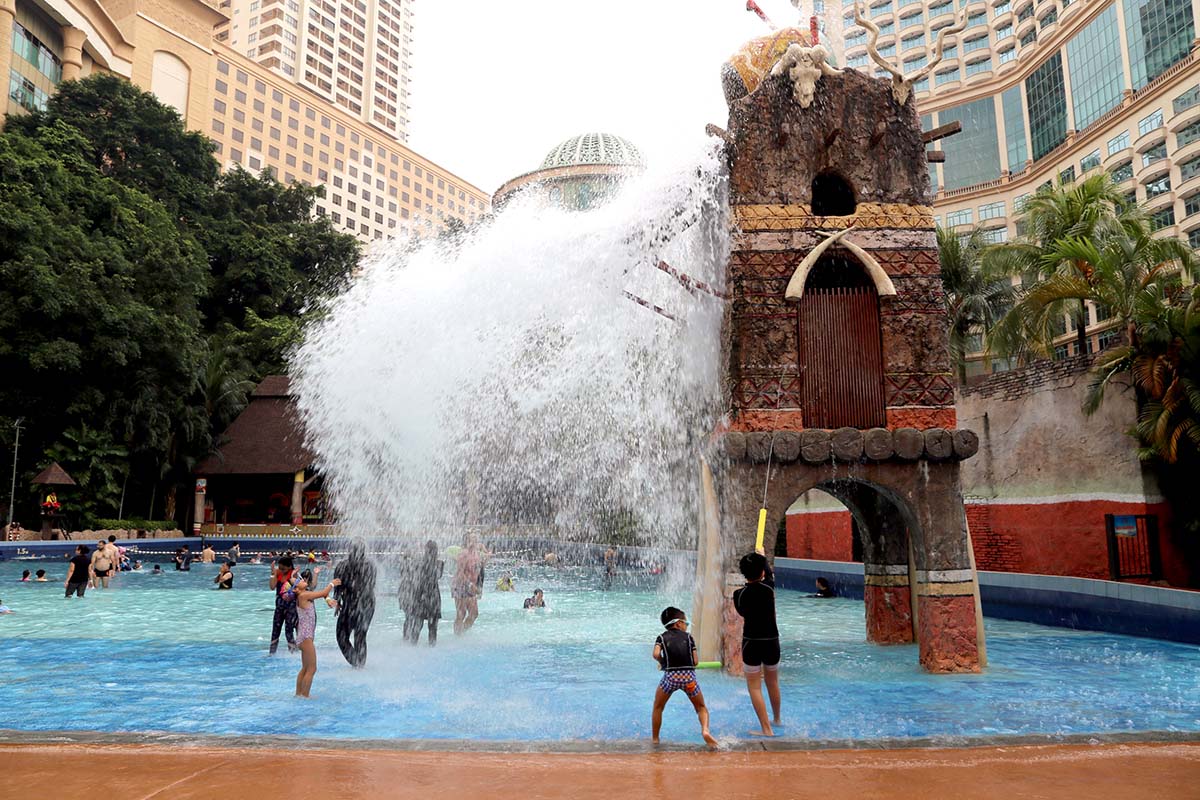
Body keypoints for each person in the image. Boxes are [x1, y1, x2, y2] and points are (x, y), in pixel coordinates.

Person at [651, 607, 716, 748]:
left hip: (671, 678)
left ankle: (655, 740)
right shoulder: (689, 637)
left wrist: (663, 663)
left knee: (658, 706)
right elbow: (696, 662)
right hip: (689, 679)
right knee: (701, 707)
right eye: (686, 623)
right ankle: (705, 730)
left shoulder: (661, 637)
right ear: (678, 623)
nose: (687, 625)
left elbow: (656, 654)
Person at [733, 550, 782, 737]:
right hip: (771, 641)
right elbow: (768, 574)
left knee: (754, 687)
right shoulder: (769, 589)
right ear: (762, 571)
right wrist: (764, 559)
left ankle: (766, 729)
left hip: (751, 643)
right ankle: (776, 719)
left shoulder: (739, 595)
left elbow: (743, 613)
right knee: (773, 682)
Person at [293, 570, 340, 698]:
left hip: (303, 636)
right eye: (301, 581)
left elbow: (323, 595)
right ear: (296, 589)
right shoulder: (303, 595)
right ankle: (305, 696)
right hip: (306, 636)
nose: (304, 580)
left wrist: (328, 599)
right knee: (312, 669)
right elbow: (324, 592)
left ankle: (299, 694)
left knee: (305, 668)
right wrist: (332, 583)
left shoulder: (304, 595)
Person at [332, 539, 376, 668]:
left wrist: (337, 599)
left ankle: (357, 664)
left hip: (354, 603)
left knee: (343, 637)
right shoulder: (370, 565)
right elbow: (371, 585)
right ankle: (359, 665)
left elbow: (337, 585)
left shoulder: (343, 565)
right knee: (360, 636)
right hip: (367, 604)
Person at [401, 539, 443, 645]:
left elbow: (409, 574)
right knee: (433, 628)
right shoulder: (439, 564)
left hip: (420, 596)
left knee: (417, 626)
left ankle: (412, 648)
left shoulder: (419, 562)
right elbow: (438, 576)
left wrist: (406, 558)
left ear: (425, 550)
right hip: (433, 597)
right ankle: (432, 647)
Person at [452, 534, 484, 635]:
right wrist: (470, 585)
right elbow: (460, 572)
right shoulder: (463, 554)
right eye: (472, 539)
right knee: (461, 613)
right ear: (467, 541)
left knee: (474, 613)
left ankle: (461, 632)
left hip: (472, 586)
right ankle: (457, 635)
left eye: (476, 539)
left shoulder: (476, 555)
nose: (475, 541)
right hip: (460, 585)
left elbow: (478, 572)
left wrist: (479, 587)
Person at [269, 556, 301, 654]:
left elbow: (300, 590)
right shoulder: (278, 573)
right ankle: (271, 653)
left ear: (290, 567)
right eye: (280, 568)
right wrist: (273, 574)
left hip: (291, 607)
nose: (281, 570)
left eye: (283, 569)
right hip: (279, 607)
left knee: (289, 630)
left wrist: (294, 578)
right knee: (275, 630)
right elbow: (272, 587)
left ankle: (293, 653)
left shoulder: (294, 575)